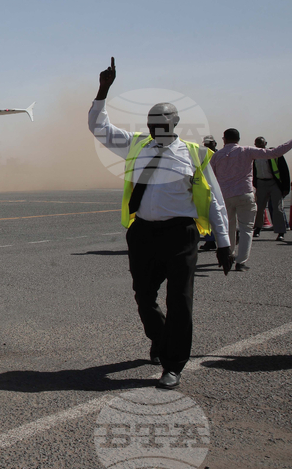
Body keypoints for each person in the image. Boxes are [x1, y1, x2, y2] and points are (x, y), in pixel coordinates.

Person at [89, 58, 231, 390]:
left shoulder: (194, 154)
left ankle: (173, 365)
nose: (155, 126)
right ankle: (160, 336)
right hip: (142, 234)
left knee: (179, 300)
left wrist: (224, 243)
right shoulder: (135, 146)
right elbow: (99, 127)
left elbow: (214, 200)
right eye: (152, 121)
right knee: (143, 295)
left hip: (180, 235)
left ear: (175, 123)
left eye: (162, 121)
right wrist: (103, 89)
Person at [210, 129, 292, 271]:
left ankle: (229, 254)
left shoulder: (217, 156)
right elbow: (275, 153)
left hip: (225, 197)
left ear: (224, 139)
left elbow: (211, 177)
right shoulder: (246, 151)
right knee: (246, 229)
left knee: (228, 226)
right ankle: (241, 262)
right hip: (244, 195)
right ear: (238, 139)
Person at [251, 137, 290, 241]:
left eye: (261, 144)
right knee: (259, 208)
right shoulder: (254, 156)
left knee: (278, 208)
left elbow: (284, 170)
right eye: (257, 144)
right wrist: (255, 184)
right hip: (261, 184)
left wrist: (285, 187)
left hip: (274, 183)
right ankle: (257, 229)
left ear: (266, 144)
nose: (259, 146)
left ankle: (280, 232)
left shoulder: (274, 154)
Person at [200, 136, 219, 251]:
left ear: (215, 143)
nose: (207, 146)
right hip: (206, 188)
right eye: (206, 144)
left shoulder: (220, 155)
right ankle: (210, 240)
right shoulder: (201, 156)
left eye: (209, 143)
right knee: (205, 215)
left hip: (220, 188)